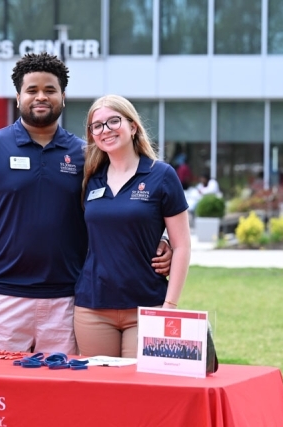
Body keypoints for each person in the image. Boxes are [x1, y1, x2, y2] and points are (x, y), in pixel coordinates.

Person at [0, 53, 172, 355]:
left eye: (50, 90)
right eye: (32, 90)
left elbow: (116, 208)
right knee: (0, 394)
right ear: (18, 97)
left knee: (60, 396)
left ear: (63, 97)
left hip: (67, 301)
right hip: (2, 299)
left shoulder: (88, 155)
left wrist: (158, 241)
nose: (41, 96)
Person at [73, 94, 191, 358]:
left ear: (133, 126)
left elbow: (182, 245)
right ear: (92, 135)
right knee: (99, 393)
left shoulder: (161, 175)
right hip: (92, 308)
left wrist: (169, 306)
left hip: (147, 306)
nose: (106, 130)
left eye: (113, 121)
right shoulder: (89, 179)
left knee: (142, 395)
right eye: (97, 126)